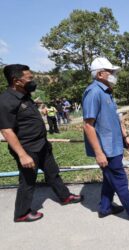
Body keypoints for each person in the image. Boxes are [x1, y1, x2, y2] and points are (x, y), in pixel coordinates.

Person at [0, 64, 83, 222]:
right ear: (16, 81)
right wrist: (23, 155)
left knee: (52, 173)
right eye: (29, 78)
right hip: (27, 149)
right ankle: (22, 213)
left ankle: (65, 197)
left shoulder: (25, 95)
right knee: (28, 182)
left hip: (42, 145)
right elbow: (7, 131)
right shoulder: (6, 101)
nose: (33, 80)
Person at [82, 57, 129, 224]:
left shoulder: (107, 90)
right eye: (111, 72)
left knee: (110, 178)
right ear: (100, 74)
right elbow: (88, 126)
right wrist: (99, 153)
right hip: (106, 149)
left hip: (114, 144)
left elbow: (115, 118)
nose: (115, 74)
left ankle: (105, 207)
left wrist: (125, 137)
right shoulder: (94, 92)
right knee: (120, 180)